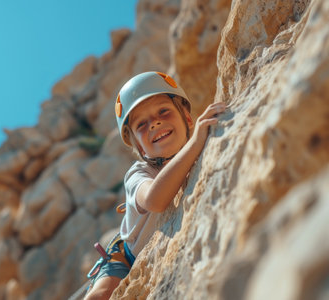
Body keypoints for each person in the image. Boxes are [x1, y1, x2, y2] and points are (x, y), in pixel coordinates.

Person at [84, 71, 226, 299]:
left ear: (188, 118)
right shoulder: (138, 174)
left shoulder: (203, 147)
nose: (155, 123)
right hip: (126, 258)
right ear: (139, 148)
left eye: (163, 111)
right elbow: (154, 200)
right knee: (100, 296)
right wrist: (197, 141)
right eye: (141, 124)